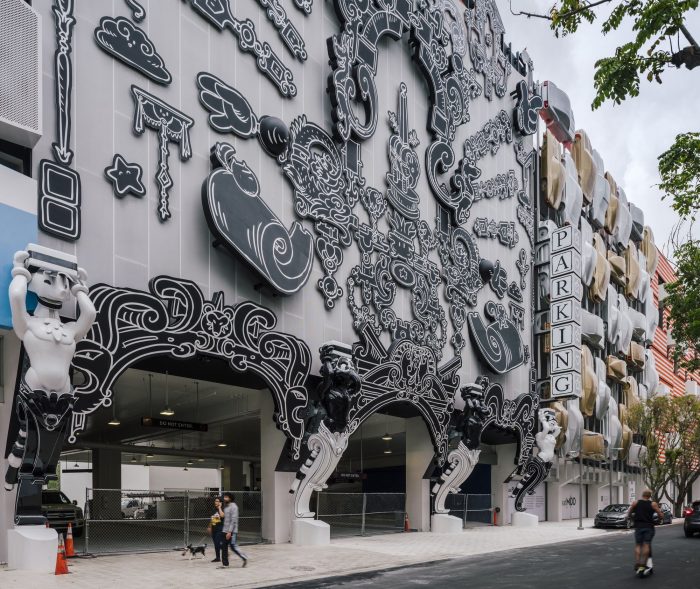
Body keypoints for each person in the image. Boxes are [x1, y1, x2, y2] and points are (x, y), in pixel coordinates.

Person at [627, 489, 664, 577]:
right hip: (648, 527)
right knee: (646, 544)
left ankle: (637, 563)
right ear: (650, 496)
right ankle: (643, 564)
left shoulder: (635, 502)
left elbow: (629, 513)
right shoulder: (653, 504)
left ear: (642, 495)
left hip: (638, 527)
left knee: (638, 545)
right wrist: (660, 519)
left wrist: (631, 518)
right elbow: (660, 514)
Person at [221, 492, 248, 568]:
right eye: (224, 497)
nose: (224, 498)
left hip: (232, 531)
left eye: (226, 497)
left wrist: (229, 532)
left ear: (230, 498)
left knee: (233, 546)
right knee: (224, 547)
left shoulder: (234, 507)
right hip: (224, 530)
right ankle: (225, 564)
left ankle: (244, 557)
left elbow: (233, 520)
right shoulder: (226, 507)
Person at [208, 496, 225, 563]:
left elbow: (222, 516)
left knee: (217, 542)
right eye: (215, 501)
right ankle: (218, 558)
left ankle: (224, 550)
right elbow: (212, 519)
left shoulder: (223, 509)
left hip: (220, 529)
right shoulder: (213, 509)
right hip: (214, 528)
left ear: (220, 502)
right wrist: (209, 527)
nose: (215, 502)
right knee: (215, 543)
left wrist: (220, 507)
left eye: (217, 501)